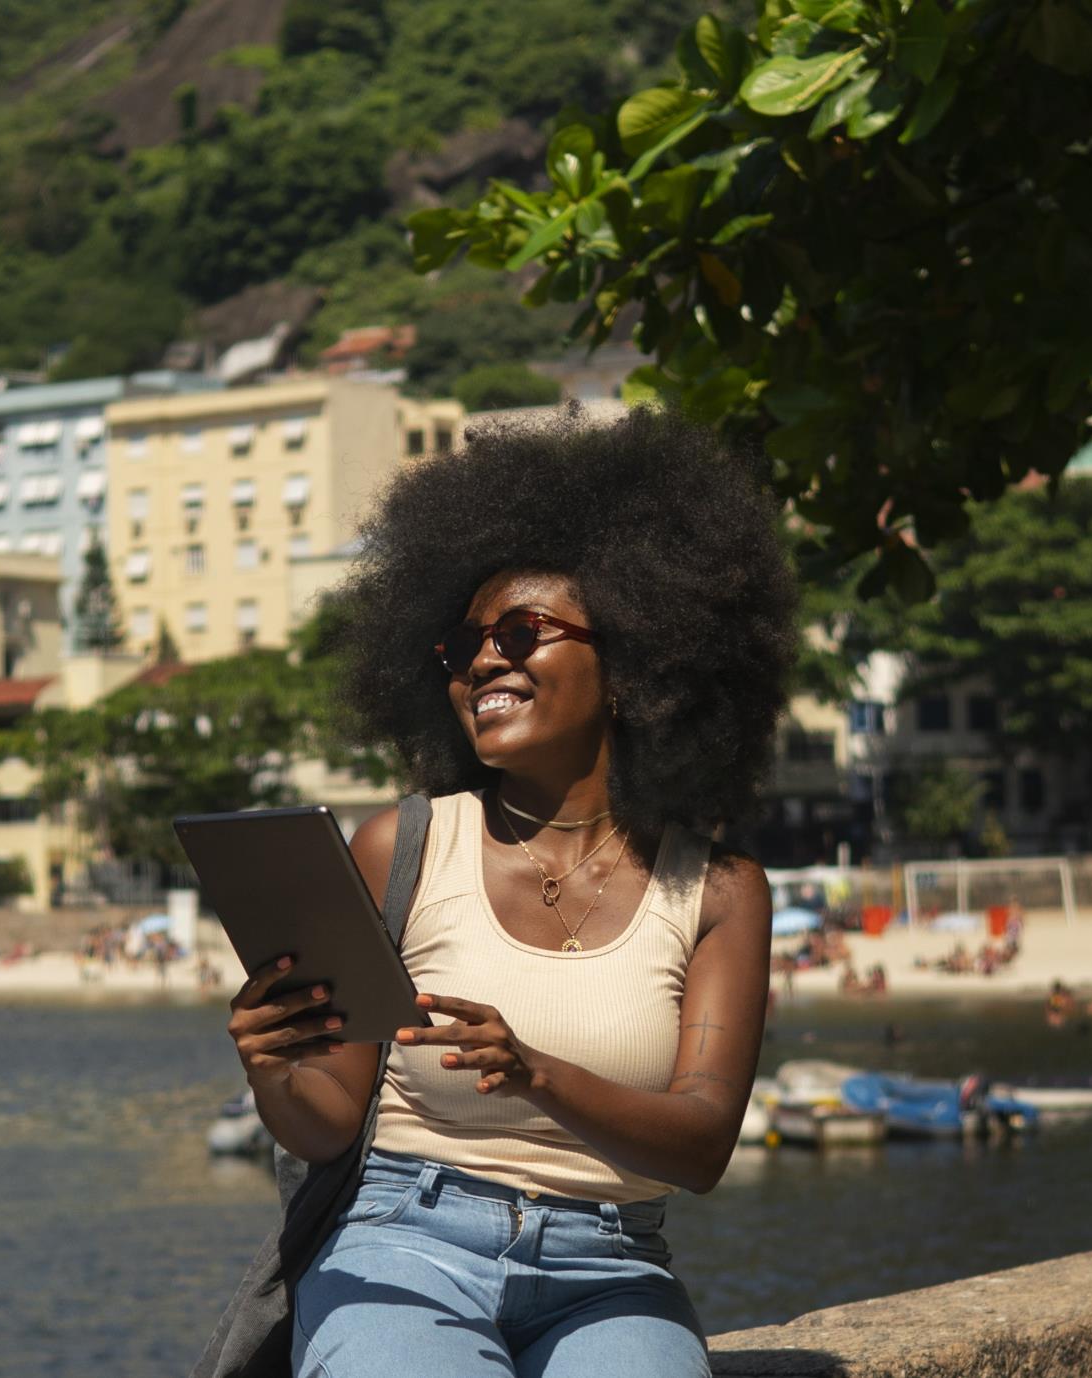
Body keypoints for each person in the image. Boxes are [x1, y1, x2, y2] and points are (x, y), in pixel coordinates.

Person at [219, 410, 795, 1377]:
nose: (487, 660)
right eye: (464, 646)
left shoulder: (722, 889)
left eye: (523, 633)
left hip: (613, 1267)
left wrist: (535, 1073)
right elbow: (325, 1121)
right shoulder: (400, 846)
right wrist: (273, 1069)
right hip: (403, 1245)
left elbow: (700, 1149)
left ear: (635, 665)